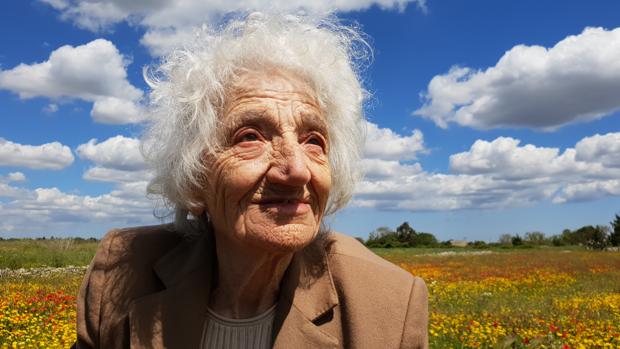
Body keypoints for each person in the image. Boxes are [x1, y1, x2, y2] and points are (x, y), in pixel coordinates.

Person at [74, 12, 428, 349]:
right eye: (250, 137)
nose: (297, 169)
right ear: (194, 180)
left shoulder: (390, 304)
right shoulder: (122, 269)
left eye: (314, 141)